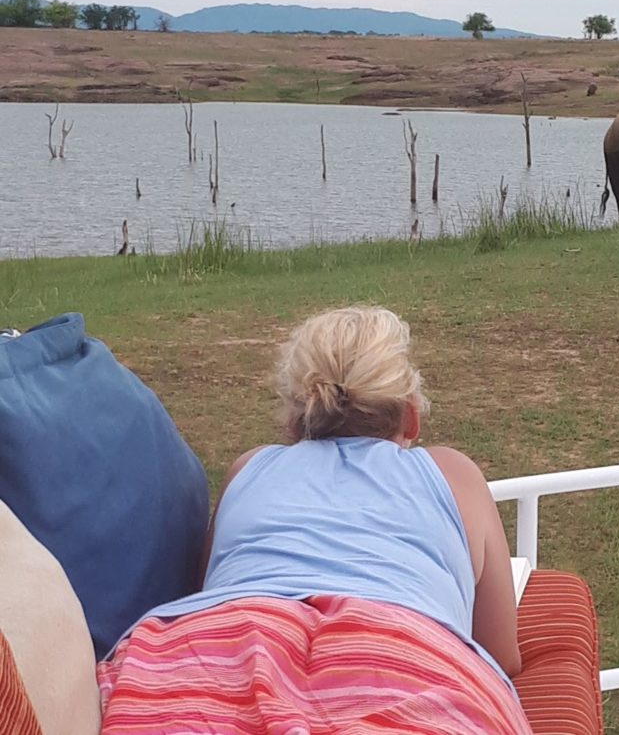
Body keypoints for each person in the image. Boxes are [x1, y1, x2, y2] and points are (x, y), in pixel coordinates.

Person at [97, 306, 531, 734]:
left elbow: (212, 587)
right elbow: (501, 653)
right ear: (410, 417)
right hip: (400, 659)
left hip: (207, 653)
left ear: (293, 421)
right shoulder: (452, 475)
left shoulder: (250, 468)